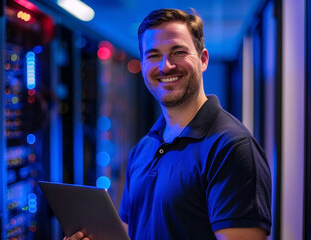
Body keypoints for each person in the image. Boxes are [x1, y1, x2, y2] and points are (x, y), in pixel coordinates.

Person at [65, 8, 271, 240]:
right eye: (153, 55)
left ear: (203, 59)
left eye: (178, 52)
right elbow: (129, 233)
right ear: (142, 65)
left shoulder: (232, 147)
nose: (165, 66)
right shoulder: (143, 149)